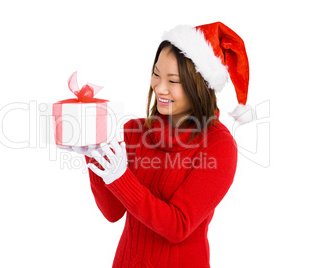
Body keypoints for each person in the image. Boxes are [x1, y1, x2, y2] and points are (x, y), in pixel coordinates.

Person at [67, 22, 250, 268]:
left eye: (173, 80)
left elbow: (178, 226)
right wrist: (94, 155)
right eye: (156, 74)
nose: (159, 87)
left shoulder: (218, 146)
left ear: (200, 86)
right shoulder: (134, 130)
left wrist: (121, 178)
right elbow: (112, 213)